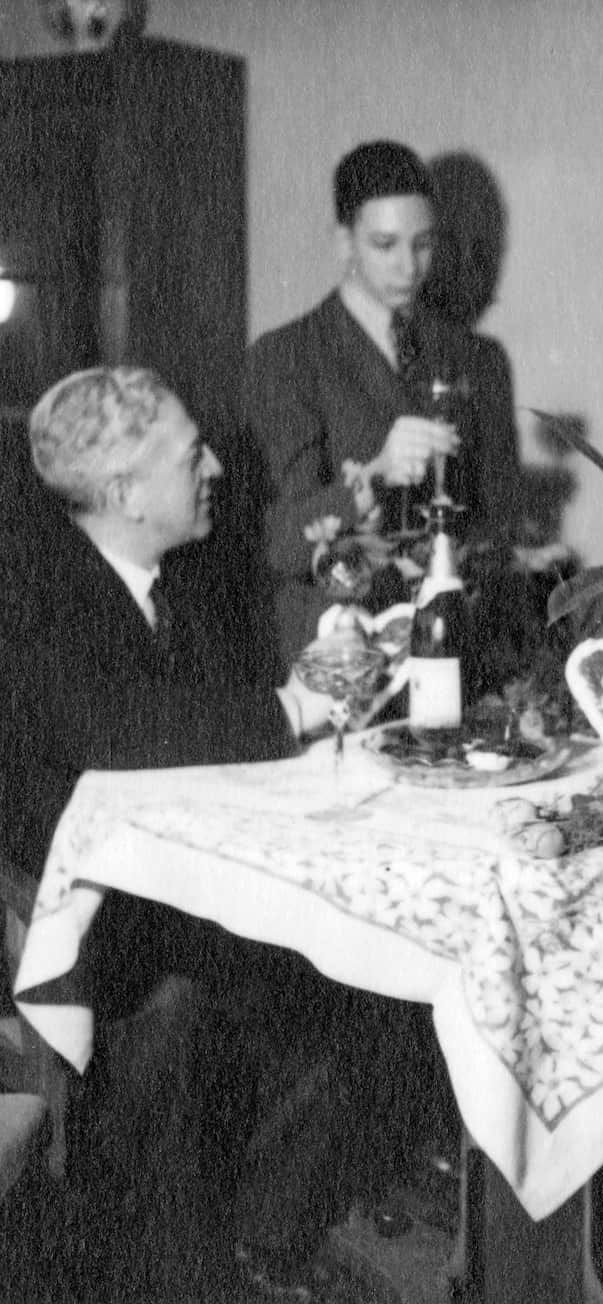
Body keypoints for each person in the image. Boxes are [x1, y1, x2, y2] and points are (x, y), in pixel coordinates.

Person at [0, 367, 396, 1301]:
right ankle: (192, 1259)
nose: (215, 466)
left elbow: (204, 725)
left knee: (373, 968)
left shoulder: (173, 578)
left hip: (171, 893)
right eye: (192, 454)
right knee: (267, 996)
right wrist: (292, 708)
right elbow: (123, 732)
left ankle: (262, 1234)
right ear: (128, 493)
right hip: (88, 927)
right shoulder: (38, 591)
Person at [243, 139, 522, 668]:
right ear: (344, 243)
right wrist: (374, 476)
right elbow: (280, 542)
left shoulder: (478, 359)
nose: (409, 267)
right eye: (384, 244)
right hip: (341, 651)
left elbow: (498, 519)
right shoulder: (286, 358)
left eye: (424, 244)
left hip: (453, 648)